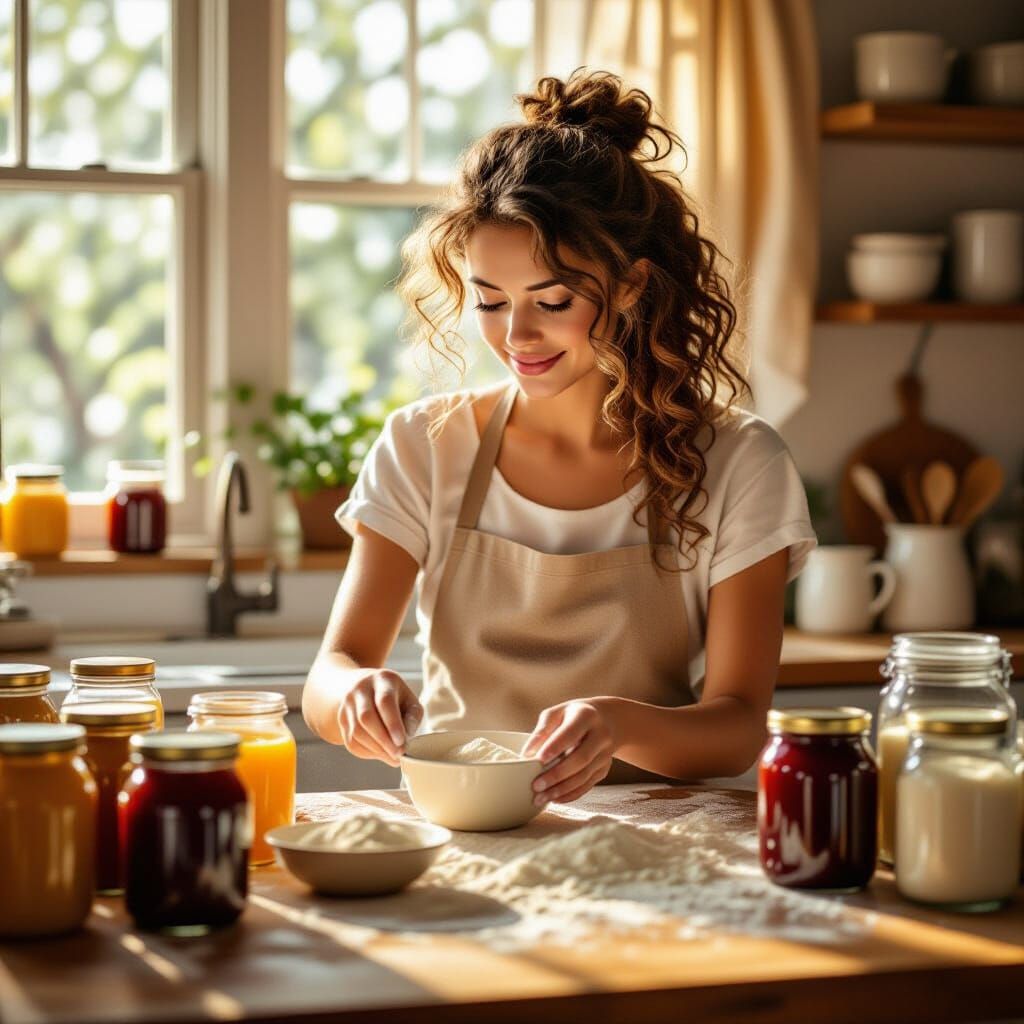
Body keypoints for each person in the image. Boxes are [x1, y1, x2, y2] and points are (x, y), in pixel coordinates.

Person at [303, 69, 816, 806]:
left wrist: (619, 724)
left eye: (553, 300)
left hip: (664, 836)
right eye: (489, 300)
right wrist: (354, 691)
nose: (517, 336)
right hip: (467, 833)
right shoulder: (425, 444)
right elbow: (331, 671)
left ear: (633, 285)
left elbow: (737, 726)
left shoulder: (738, 461)